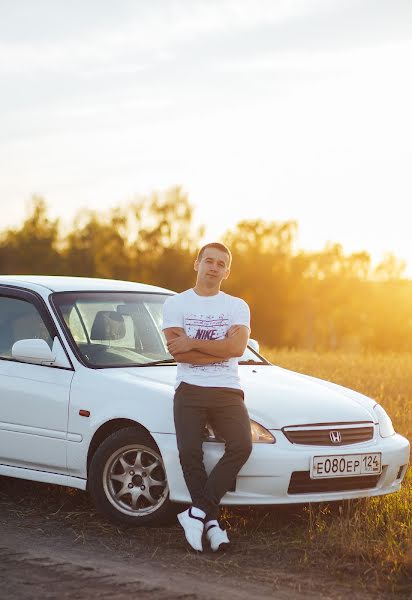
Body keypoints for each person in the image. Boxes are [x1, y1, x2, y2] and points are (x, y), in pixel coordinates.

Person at [162, 242, 252, 552]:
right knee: (189, 451)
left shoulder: (237, 306)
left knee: (242, 445)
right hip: (189, 388)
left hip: (227, 389)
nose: (214, 267)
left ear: (227, 271)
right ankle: (211, 523)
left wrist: (193, 343)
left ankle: (196, 513)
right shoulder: (175, 304)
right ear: (196, 263)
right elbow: (180, 356)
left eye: (220, 264)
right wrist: (217, 349)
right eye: (209, 261)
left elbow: (237, 350)